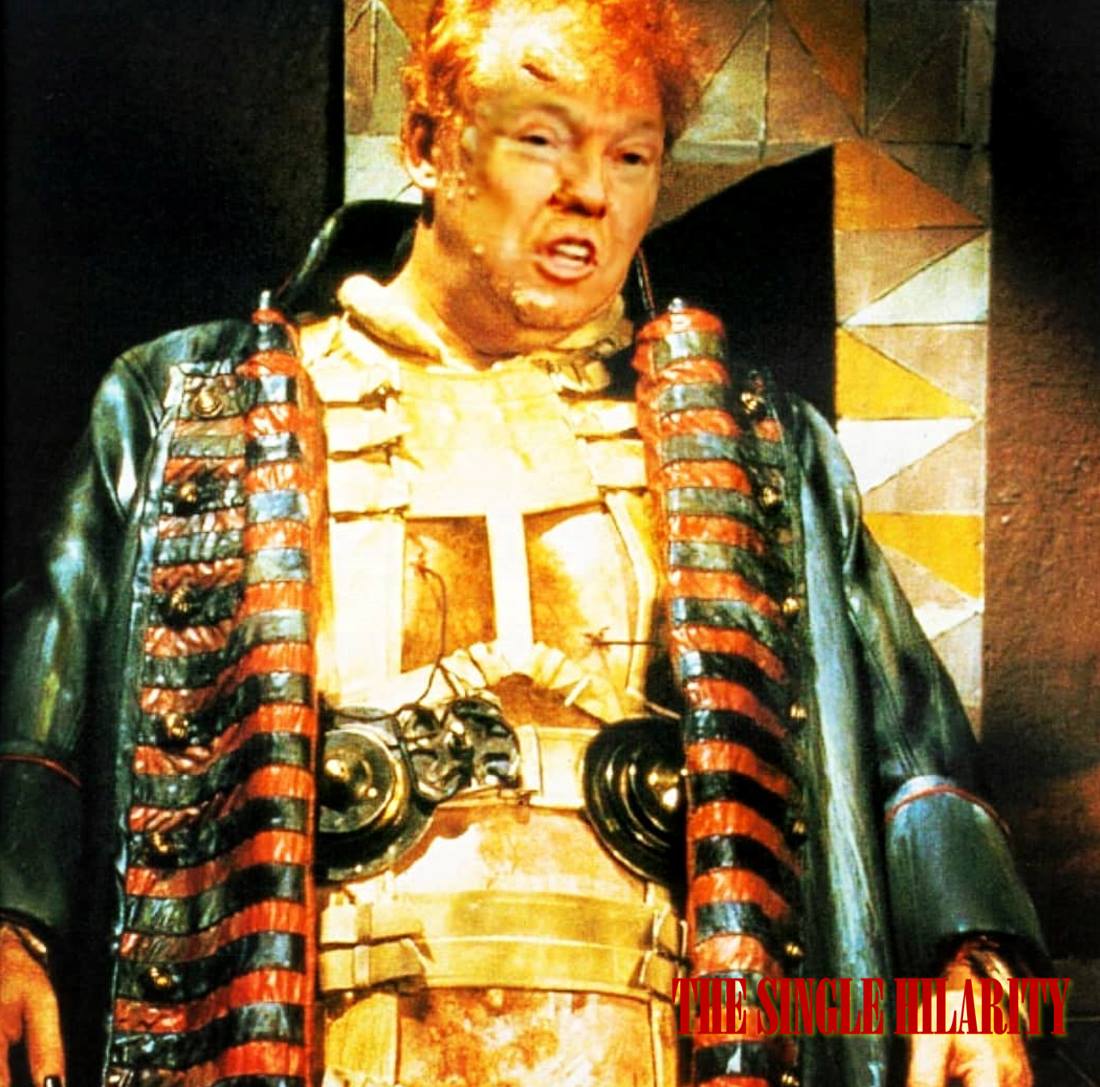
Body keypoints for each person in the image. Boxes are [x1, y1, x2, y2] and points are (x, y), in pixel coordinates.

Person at [0, 1, 1046, 1085]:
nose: (589, 190)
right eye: (543, 138)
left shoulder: (763, 449)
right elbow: (46, 693)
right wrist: (10, 928)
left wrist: (976, 969)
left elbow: (908, 745)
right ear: (427, 144)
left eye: (631, 155)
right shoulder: (188, 407)